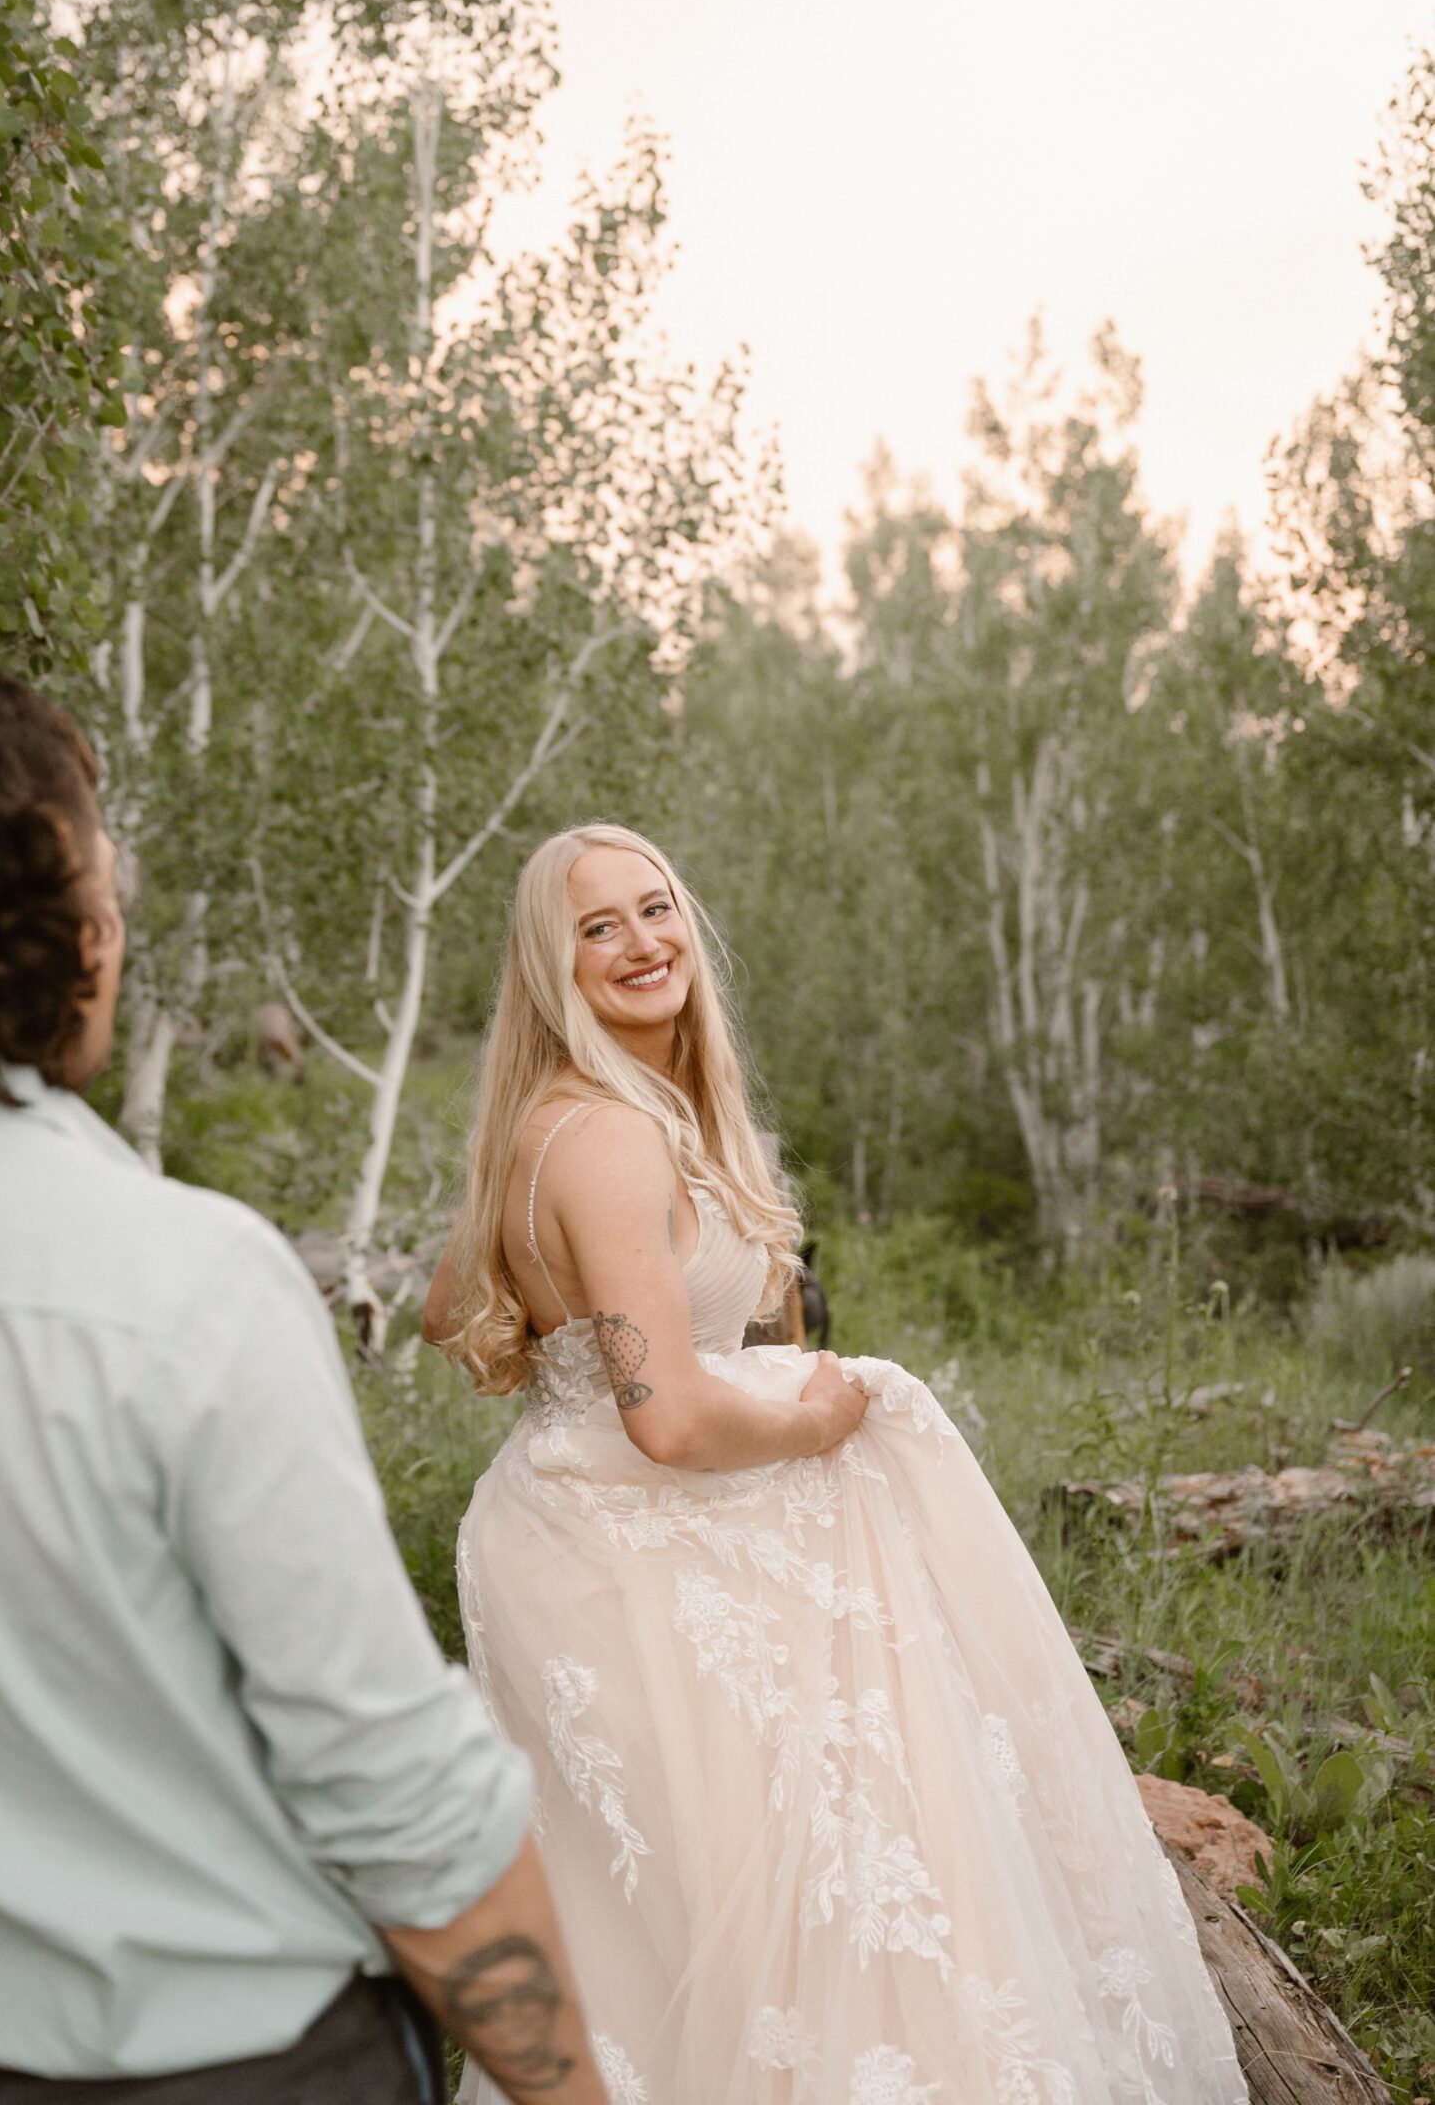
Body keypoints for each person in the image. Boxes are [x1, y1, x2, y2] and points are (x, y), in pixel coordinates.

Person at [0, 658, 609, 2105]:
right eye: (101, 890)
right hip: (251, 2063)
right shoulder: (188, 1279)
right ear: (51, 934)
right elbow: (397, 1796)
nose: (115, 930)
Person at [424, 822, 1248, 2105]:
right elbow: (669, 1421)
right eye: (599, 927)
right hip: (630, 1557)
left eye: (655, 910)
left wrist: (569, 1326)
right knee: (777, 1920)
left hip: (580, 1525)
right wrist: (818, 1416)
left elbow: (451, 1303)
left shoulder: (586, 1121)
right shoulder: (605, 1138)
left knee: (709, 1933)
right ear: (552, 964)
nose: (642, 943)